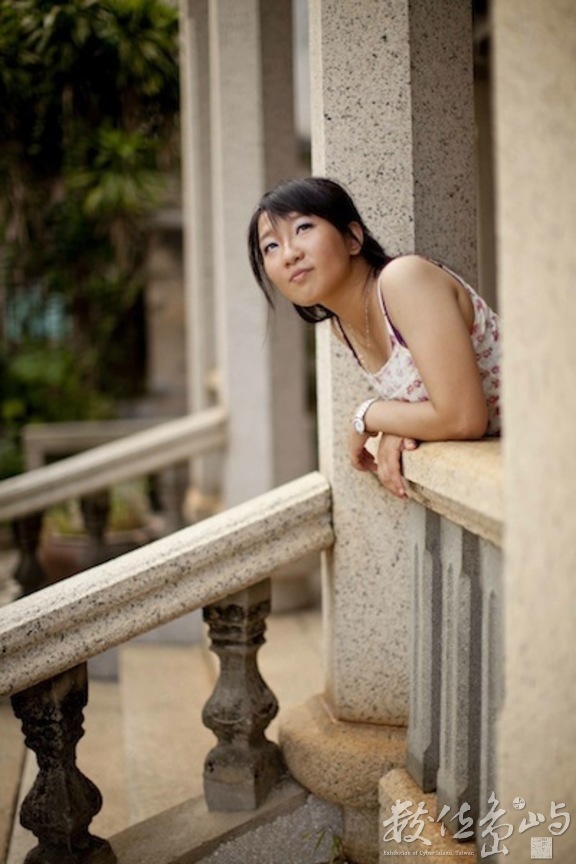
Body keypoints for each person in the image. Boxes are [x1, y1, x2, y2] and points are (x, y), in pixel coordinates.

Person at [248, 177, 501, 499]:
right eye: (270, 246)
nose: (289, 254)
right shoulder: (344, 328)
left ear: (353, 238)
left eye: (303, 228)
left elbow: (463, 418)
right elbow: (439, 410)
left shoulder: (405, 280)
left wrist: (369, 415)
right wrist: (400, 425)